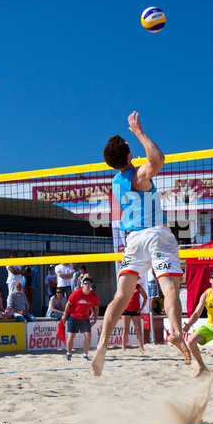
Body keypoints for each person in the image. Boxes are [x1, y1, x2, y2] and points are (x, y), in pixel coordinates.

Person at [91, 111, 191, 377]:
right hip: (155, 234)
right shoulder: (138, 177)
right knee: (169, 288)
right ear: (127, 156)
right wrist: (137, 131)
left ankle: (102, 344)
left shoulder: (115, 182)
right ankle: (177, 333)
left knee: (120, 297)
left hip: (132, 240)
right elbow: (158, 159)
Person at [62, 277, 99, 361]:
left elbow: (96, 308)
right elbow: (68, 304)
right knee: (71, 336)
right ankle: (68, 354)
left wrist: (95, 319)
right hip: (73, 316)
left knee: (88, 336)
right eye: (85, 283)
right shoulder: (76, 293)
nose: (87, 285)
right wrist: (65, 315)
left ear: (91, 285)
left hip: (85, 317)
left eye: (89, 283)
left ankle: (85, 355)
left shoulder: (93, 295)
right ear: (82, 285)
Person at [122, 282, 148, 352]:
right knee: (125, 330)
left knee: (139, 330)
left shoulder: (138, 286)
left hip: (135, 310)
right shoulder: (125, 285)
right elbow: (116, 296)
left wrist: (141, 308)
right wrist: (121, 307)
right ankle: (124, 348)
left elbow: (145, 297)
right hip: (126, 310)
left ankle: (141, 347)